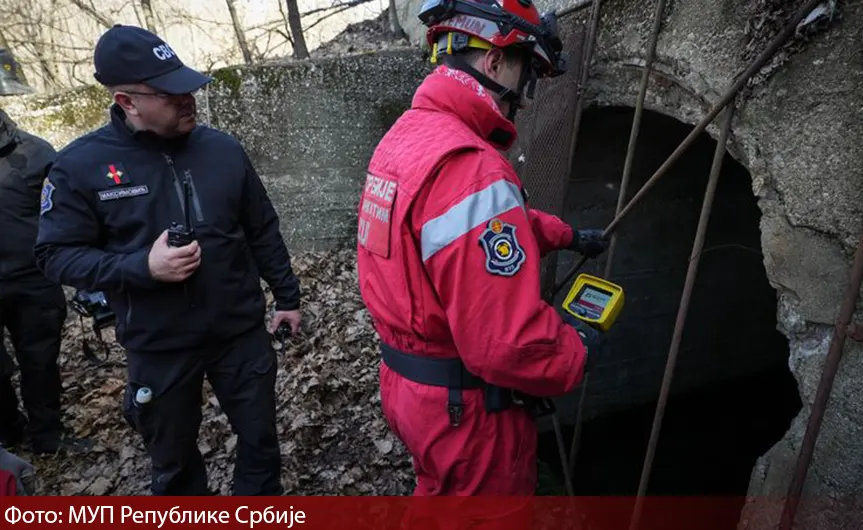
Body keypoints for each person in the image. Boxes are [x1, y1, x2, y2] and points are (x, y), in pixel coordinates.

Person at [33, 25, 301, 496]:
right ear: (127, 102)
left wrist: (287, 296)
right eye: (169, 92)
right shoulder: (80, 167)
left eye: (188, 86)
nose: (187, 98)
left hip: (239, 334)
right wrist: (143, 267)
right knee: (174, 467)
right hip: (158, 347)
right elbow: (55, 256)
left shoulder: (223, 149)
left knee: (260, 446)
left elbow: (261, 228)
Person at [356, 0, 609, 496]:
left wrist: (565, 236)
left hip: (409, 385)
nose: (526, 97)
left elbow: (452, 232)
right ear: (494, 62)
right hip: (466, 410)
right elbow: (505, 343)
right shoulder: (473, 168)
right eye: (527, 74)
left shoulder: (407, 139)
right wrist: (573, 354)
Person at [0, 49, 86, 455]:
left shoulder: (35, 153)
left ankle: (47, 433)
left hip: (33, 279)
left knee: (41, 361)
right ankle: (8, 429)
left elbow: (69, 213)